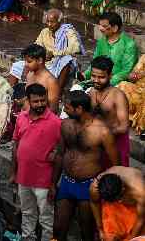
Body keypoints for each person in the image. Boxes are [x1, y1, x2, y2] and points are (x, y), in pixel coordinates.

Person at [53, 91, 119, 241]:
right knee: (58, 228)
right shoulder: (66, 124)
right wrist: (53, 183)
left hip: (88, 185)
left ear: (80, 109)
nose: (64, 110)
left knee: (86, 229)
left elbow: (116, 164)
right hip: (66, 183)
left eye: (67, 108)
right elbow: (60, 154)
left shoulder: (102, 131)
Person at [12, 83, 61, 241]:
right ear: (28, 100)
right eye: (36, 101)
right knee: (27, 213)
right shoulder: (21, 117)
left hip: (44, 181)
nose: (40, 104)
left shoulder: (56, 122)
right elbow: (16, 145)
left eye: (43, 100)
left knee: (46, 219)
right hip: (23, 179)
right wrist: (14, 173)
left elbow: (60, 154)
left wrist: (53, 184)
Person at [89, 56, 131, 166]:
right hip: (98, 144)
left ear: (110, 75)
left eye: (101, 77)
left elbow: (124, 127)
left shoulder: (118, 96)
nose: (96, 80)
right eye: (93, 76)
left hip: (117, 143)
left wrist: (104, 134)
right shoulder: (91, 92)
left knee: (117, 176)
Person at [35, 9, 85, 93]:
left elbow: (76, 48)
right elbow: (37, 46)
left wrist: (54, 54)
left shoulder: (68, 32)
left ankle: (58, 91)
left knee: (66, 59)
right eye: (47, 22)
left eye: (52, 22)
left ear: (59, 22)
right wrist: (43, 55)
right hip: (46, 62)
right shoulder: (44, 32)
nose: (49, 24)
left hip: (63, 65)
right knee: (17, 66)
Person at [89, 167, 145, 241]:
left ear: (123, 188)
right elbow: (94, 203)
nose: (120, 201)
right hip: (114, 209)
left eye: (121, 196)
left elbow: (141, 219)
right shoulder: (95, 188)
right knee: (109, 236)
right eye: (116, 200)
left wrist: (131, 239)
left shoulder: (140, 191)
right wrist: (100, 229)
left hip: (138, 209)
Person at [86, 12, 139, 86]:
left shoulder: (129, 44)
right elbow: (95, 62)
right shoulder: (101, 41)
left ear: (115, 28)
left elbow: (126, 71)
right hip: (99, 80)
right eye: (100, 25)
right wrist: (86, 75)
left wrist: (108, 82)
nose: (100, 28)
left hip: (118, 84)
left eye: (104, 26)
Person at [22, 44, 60, 114]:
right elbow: (28, 97)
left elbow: (53, 109)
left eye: (29, 62)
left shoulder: (51, 81)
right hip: (26, 116)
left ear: (40, 60)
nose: (26, 64)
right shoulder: (30, 74)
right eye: (25, 61)